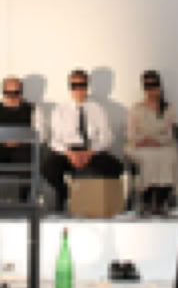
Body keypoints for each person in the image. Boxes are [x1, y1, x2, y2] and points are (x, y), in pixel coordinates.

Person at [42, 69, 125, 212]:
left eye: (82, 85)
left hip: (91, 150)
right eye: (74, 86)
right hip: (68, 152)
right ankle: (67, 194)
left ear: (87, 86)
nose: (78, 90)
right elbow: (54, 139)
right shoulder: (59, 110)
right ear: (70, 87)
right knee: (48, 168)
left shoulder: (97, 109)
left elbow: (107, 136)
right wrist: (69, 153)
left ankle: (98, 201)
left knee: (116, 167)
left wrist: (91, 152)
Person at [0, 76, 44, 202]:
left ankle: (25, 202)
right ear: (3, 93)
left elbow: (42, 134)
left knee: (29, 158)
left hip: (21, 149)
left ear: (21, 93)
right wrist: (0, 140)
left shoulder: (33, 109)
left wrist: (21, 141)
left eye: (16, 93)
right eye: (8, 93)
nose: (12, 97)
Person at [124, 70, 177, 214]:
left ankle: (162, 197)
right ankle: (147, 197)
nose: (151, 90)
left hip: (162, 144)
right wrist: (143, 140)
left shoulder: (169, 109)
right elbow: (130, 132)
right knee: (148, 157)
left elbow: (172, 132)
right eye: (147, 86)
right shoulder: (136, 108)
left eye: (154, 85)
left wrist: (158, 141)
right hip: (140, 145)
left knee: (170, 155)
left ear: (159, 86)